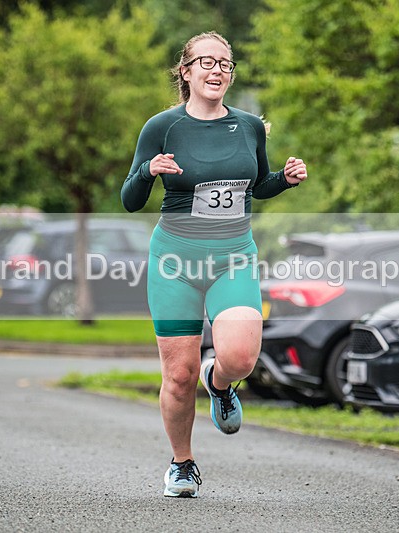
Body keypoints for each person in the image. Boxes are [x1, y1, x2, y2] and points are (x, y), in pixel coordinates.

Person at [121, 31, 308, 498]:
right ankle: (182, 464)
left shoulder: (248, 125)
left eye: (225, 63)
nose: (217, 70)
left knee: (240, 358)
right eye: (206, 62)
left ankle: (220, 383)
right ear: (186, 72)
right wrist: (147, 171)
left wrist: (283, 180)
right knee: (178, 376)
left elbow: (256, 186)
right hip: (175, 261)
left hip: (232, 259)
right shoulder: (162, 127)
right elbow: (130, 199)